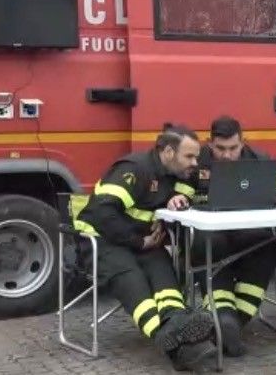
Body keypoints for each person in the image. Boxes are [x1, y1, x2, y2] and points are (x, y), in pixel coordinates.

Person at [75, 124, 216, 371]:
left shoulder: (177, 174)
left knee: (164, 276)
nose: (195, 163)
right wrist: (139, 241)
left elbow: (180, 196)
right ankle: (170, 339)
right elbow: (101, 212)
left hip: (145, 241)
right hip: (102, 240)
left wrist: (175, 202)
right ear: (169, 152)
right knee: (133, 280)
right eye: (189, 156)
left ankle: (175, 321)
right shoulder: (134, 169)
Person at [191, 116, 276, 356]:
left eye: (233, 148)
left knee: (267, 246)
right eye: (220, 148)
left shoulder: (259, 160)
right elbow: (175, 192)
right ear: (209, 143)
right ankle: (223, 317)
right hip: (209, 233)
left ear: (243, 142)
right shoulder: (194, 161)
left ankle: (233, 322)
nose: (226, 155)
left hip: (249, 234)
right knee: (209, 245)